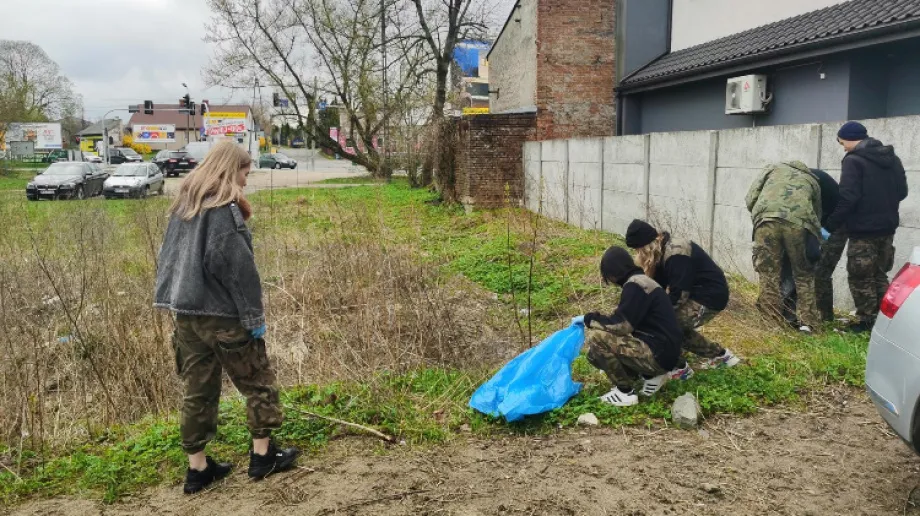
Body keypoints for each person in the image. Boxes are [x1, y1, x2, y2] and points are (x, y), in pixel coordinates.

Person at [155, 141, 299, 494]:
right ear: (229, 169)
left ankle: (198, 470)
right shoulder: (221, 210)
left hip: (186, 316)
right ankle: (264, 457)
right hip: (223, 318)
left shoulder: (183, 206)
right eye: (245, 173)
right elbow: (238, 271)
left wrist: (172, 302)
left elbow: (168, 261)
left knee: (197, 392)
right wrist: (253, 317)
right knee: (257, 383)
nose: (246, 182)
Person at [825, 121, 909, 333]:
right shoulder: (892, 158)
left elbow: (848, 198)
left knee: (860, 276)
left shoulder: (854, 161)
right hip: (887, 229)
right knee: (879, 274)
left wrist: (829, 225)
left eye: (841, 141)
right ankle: (885, 321)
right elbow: (902, 191)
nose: (842, 146)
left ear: (849, 137)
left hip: (863, 230)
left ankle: (866, 322)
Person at [624, 219, 740, 370]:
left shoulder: (676, 253)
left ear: (646, 246)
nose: (638, 255)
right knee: (673, 327)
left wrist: (654, 314)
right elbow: (656, 290)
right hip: (695, 293)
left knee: (663, 327)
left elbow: (679, 295)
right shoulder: (660, 252)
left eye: (638, 251)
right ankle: (721, 356)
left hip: (709, 297)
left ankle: (678, 368)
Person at [583, 246, 684, 407]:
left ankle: (625, 392)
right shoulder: (644, 282)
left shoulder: (635, 285)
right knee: (594, 354)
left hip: (658, 355)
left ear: (613, 273)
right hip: (666, 354)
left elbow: (622, 325)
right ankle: (650, 376)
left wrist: (589, 319)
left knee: (597, 339)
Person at [745, 160, 823, 331]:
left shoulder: (771, 169)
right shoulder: (812, 180)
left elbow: (750, 198)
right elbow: (817, 214)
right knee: (804, 274)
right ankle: (808, 324)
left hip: (766, 221)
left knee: (768, 274)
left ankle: (770, 323)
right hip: (800, 225)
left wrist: (762, 215)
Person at [779, 168, 842, 324]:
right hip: (805, 225)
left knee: (819, 271)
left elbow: (838, 209)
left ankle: (822, 317)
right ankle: (787, 314)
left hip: (832, 225)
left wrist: (826, 230)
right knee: (790, 268)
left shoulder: (820, 185)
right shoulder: (788, 188)